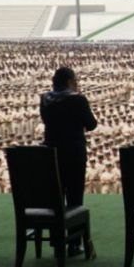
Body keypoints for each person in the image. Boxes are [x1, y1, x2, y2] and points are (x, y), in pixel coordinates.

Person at [40, 66, 98, 257]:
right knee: (75, 198)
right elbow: (91, 124)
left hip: (52, 154)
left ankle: (57, 240)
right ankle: (73, 243)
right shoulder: (77, 99)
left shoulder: (45, 99)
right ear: (69, 81)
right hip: (73, 154)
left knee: (55, 197)